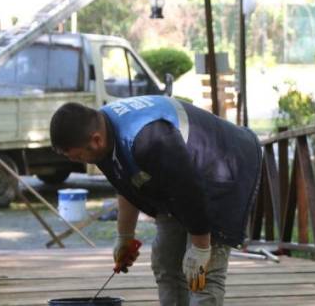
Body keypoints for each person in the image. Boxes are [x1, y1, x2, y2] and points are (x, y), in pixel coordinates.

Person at [49, 95, 261, 305]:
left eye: (77, 156)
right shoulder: (101, 137)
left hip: (225, 168)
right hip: (179, 180)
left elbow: (189, 190)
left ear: (95, 140)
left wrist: (200, 248)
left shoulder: (150, 139)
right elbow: (126, 183)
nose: (77, 162)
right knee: (166, 261)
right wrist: (125, 237)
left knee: (203, 275)